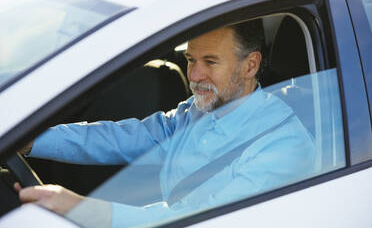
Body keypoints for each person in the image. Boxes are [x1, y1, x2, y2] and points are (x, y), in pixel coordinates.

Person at [16, 20, 317, 228]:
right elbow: (125, 138)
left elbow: (197, 219)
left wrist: (81, 209)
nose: (194, 75)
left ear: (250, 65)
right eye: (190, 59)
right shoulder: (196, 111)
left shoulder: (283, 145)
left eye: (210, 62)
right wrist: (32, 139)